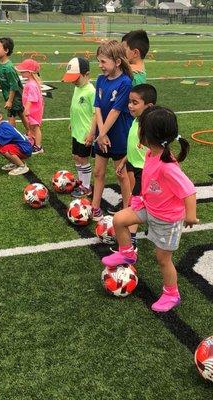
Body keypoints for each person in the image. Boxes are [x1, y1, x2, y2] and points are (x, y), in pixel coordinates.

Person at [102, 106, 199, 312]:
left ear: (148, 135)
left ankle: (172, 294)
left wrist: (190, 215)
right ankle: (127, 253)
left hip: (167, 219)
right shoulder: (150, 153)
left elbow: (189, 191)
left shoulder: (168, 166)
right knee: (119, 219)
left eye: (139, 126)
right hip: (148, 206)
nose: (136, 129)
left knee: (162, 259)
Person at [91, 40, 133, 221]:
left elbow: (116, 111)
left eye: (103, 62)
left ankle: (127, 210)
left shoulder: (125, 82)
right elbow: (98, 107)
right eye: (99, 61)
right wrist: (100, 133)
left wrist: (102, 134)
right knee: (98, 173)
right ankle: (94, 207)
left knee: (121, 176)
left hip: (119, 136)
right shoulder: (100, 80)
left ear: (117, 62)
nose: (100, 66)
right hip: (103, 135)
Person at [116, 84, 157, 250]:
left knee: (137, 203)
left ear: (149, 106)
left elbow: (157, 150)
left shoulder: (149, 127)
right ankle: (145, 225)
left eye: (135, 102)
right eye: (129, 102)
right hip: (133, 165)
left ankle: (131, 238)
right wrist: (124, 160)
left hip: (145, 170)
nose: (130, 106)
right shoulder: (135, 120)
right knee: (139, 200)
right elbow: (133, 145)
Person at [61, 57, 96, 198]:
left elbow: (95, 114)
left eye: (76, 78)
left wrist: (91, 133)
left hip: (85, 132)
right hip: (77, 130)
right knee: (76, 156)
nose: (73, 81)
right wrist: (72, 121)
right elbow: (75, 108)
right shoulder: (78, 88)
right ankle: (81, 181)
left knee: (83, 158)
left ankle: (86, 187)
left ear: (86, 74)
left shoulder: (91, 91)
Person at [0, 102, 32, 176]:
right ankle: (15, 163)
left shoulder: (4, 128)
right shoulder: (2, 125)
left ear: (0, 116)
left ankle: (22, 166)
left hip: (25, 149)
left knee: (5, 149)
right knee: (1, 146)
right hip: (22, 147)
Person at [0, 37, 28, 131]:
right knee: (21, 113)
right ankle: (30, 132)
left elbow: (14, 85)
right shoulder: (2, 64)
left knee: (11, 115)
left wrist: (10, 101)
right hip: (9, 95)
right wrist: (0, 85)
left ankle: (14, 136)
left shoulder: (8, 68)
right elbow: (8, 80)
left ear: (6, 50)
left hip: (14, 96)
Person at [15, 59, 44, 155]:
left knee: (35, 127)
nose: (21, 73)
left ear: (30, 72)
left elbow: (31, 99)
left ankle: (38, 147)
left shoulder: (31, 84)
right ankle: (33, 142)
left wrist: (26, 109)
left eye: (23, 71)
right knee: (32, 127)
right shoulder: (31, 83)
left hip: (33, 110)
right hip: (33, 109)